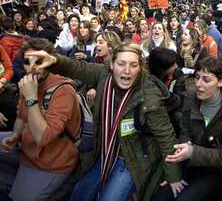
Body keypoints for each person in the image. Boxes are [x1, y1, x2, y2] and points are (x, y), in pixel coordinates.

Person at [23, 42, 185, 201]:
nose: (127, 71)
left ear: (140, 68)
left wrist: (174, 176)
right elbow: (78, 67)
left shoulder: (149, 95)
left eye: (133, 65)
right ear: (112, 65)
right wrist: (55, 60)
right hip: (105, 150)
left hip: (130, 160)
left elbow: (166, 137)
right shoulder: (103, 75)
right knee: (80, 194)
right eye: (121, 63)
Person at [153, 56, 222, 201]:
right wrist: (178, 165)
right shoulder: (191, 98)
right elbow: (185, 131)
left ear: (221, 82)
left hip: (219, 173)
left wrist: (192, 152)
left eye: (206, 80)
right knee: (162, 196)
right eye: (197, 77)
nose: (198, 84)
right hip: (190, 164)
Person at [0, 38, 80, 200]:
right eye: (29, 62)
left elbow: (43, 137)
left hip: (52, 163)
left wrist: (31, 97)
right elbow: (21, 117)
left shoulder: (63, 90)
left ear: (49, 62)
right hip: (27, 149)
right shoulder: (27, 84)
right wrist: (15, 136)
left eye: (40, 61)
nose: (34, 67)